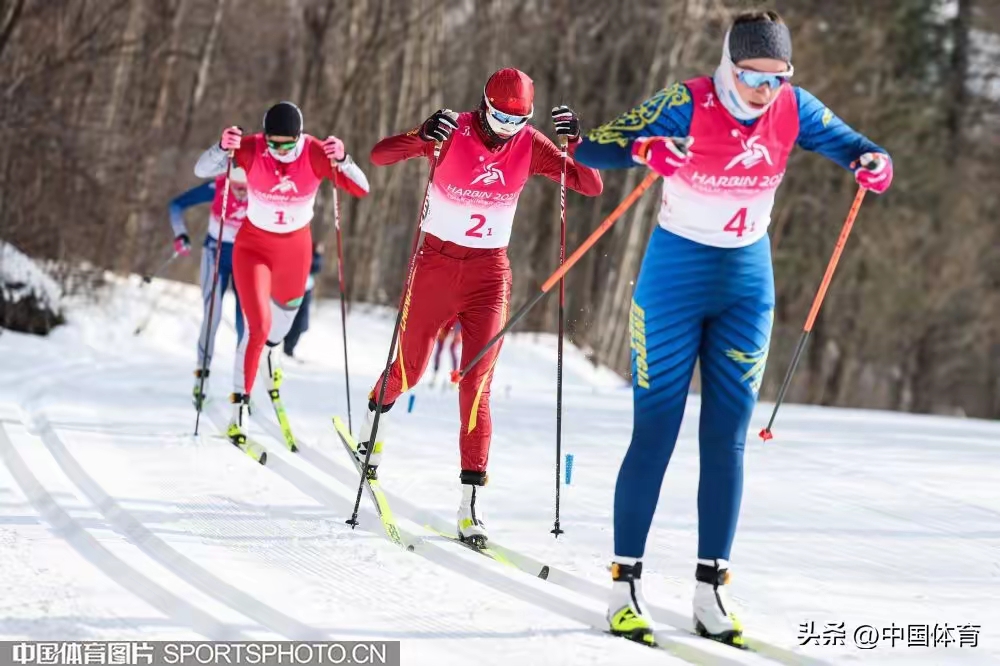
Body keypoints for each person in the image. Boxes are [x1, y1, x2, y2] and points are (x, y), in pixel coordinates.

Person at [574, 11, 893, 648]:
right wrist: (645, 149)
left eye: (777, 79)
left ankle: (710, 589)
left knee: (728, 437)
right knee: (656, 431)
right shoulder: (686, 102)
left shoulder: (793, 108)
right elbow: (592, 145)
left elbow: (856, 144)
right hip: (674, 279)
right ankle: (624, 585)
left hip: (747, 285)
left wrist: (873, 160)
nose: (764, 91)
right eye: (752, 77)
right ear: (729, 64)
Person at [358, 68, 603, 546]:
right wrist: (421, 133)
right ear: (483, 105)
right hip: (435, 265)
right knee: (409, 370)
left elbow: (588, 185)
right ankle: (371, 431)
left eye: (519, 120)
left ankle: (470, 507)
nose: (507, 129)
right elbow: (380, 155)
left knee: (477, 387)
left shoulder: (530, 144)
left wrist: (579, 142)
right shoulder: (453, 130)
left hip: (489, 275)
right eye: (500, 118)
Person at [193, 101, 370, 446]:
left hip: (295, 252)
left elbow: (361, 189)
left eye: (287, 144)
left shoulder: (316, 152)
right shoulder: (253, 148)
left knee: (279, 330)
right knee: (257, 326)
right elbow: (202, 170)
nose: (280, 151)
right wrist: (221, 147)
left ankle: (273, 353)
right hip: (253, 248)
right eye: (274, 143)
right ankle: (239, 406)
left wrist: (345, 160)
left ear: (299, 137)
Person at [168, 168, 249, 408]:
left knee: (244, 323)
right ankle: (201, 378)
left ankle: (243, 386)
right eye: (237, 186)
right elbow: (176, 205)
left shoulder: (262, 189)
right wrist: (180, 234)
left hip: (246, 258)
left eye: (245, 187)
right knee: (212, 315)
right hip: (215, 254)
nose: (241, 192)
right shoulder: (218, 187)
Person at [283, 243, 324, 359]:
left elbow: (316, 267)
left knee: (301, 323)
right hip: (292, 288)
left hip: (306, 290)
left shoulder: (313, 248)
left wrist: (317, 254)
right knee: (287, 317)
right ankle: (281, 344)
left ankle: (289, 348)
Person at [427, 316, 461, 389]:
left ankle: (455, 378)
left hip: (458, 321)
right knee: (440, 348)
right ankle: (435, 374)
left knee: (453, 349)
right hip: (446, 319)